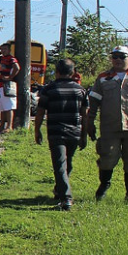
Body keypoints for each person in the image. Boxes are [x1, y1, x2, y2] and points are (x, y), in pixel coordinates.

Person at [86, 45, 128, 203]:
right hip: (110, 128)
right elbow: (93, 101)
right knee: (107, 158)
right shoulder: (103, 77)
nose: (117, 59)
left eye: (122, 56)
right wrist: (90, 122)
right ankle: (103, 188)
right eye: (114, 56)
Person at [34, 59, 88, 210]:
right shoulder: (80, 90)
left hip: (56, 132)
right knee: (67, 163)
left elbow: (40, 112)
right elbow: (85, 115)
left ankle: (66, 198)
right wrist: (84, 135)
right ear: (73, 72)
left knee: (60, 165)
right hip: (74, 132)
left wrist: (37, 130)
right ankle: (60, 191)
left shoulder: (49, 89)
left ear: (57, 72)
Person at [0, 43, 20, 134]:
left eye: (5, 49)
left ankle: (9, 126)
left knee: (8, 107)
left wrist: (10, 77)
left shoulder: (11, 59)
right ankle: (1, 126)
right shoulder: (2, 58)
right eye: (2, 49)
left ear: (9, 50)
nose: (3, 51)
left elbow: (17, 67)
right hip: (0, 85)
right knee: (2, 107)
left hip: (7, 85)